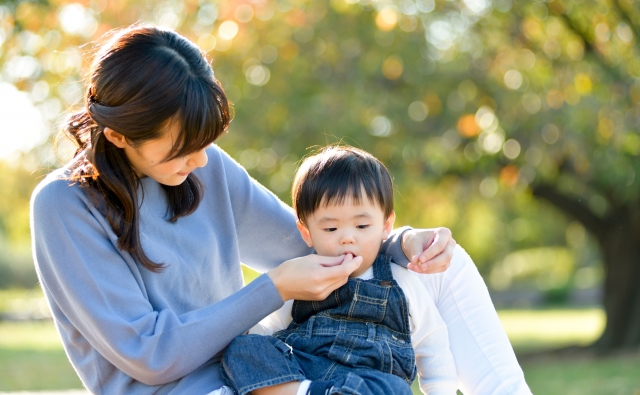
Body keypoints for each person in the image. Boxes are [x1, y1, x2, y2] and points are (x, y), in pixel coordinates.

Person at [30, 24, 531, 395]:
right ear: (118, 135)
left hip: (275, 370)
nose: (201, 159)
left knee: (440, 263)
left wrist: (403, 243)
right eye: (183, 146)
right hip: (210, 387)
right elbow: (152, 356)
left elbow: (310, 243)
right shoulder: (65, 207)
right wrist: (274, 289)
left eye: (207, 141)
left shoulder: (203, 169)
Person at [221, 145, 458, 395]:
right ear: (306, 233)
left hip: (370, 382)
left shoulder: (399, 280)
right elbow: (268, 327)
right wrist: (251, 334)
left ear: (386, 225)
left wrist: (440, 390)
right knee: (241, 348)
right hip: (307, 373)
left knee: (393, 387)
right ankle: (305, 392)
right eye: (331, 229)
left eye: (362, 225)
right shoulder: (302, 277)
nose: (347, 238)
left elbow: (432, 341)